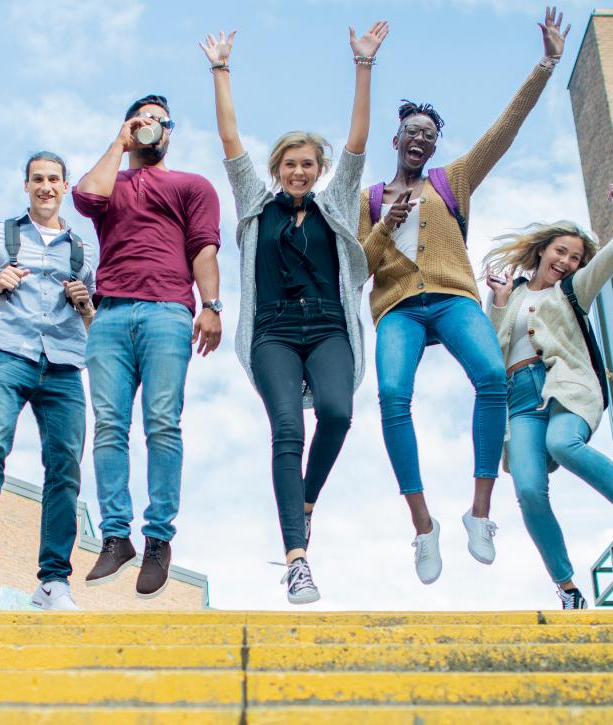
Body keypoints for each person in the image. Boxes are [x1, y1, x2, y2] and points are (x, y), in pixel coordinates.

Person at [358, 6, 570, 585]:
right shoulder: (372, 196)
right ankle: (424, 526)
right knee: (394, 397)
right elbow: (359, 266)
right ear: (396, 138)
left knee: (492, 378)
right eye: (413, 133)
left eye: (430, 135)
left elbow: (505, 130)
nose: (421, 140)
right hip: (398, 307)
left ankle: (479, 513)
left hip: (453, 298)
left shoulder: (454, 180)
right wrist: (385, 223)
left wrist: (546, 65)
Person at [202, 22, 387, 604]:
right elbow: (230, 140)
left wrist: (363, 65)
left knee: (336, 413)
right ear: (278, 166)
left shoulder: (335, 202)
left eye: (308, 163)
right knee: (286, 428)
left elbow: (358, 140)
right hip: (273, 332)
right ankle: (297, 559)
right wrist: (221, 71)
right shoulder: (256, 205)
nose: (299, 171)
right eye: (290, 163)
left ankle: (304, 500)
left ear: (319, 168)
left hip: (329, 326)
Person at [483, 172, 613, 610]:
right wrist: (499, 300)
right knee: (529, 489)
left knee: (564, 442)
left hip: (566, 386)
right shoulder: (510, 296)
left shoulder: (573, 289)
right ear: (542, 251)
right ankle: (568, 588)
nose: (567, 261)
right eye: (561, 251)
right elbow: (493, 346)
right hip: (519, 401)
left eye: (575, 257)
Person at [73, 94, 222, 598]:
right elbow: (85, 200)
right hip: (109, 314)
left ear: (172, 133)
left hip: (166, 312)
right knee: (110, 425)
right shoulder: (108, 181)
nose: (153, 127)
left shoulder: (191, 186)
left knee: (162, 421)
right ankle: (117, 537)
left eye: (162, 121)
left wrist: (212, 305)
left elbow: (203, 247)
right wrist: (121, 139)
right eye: (144, 121)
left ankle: (158, 538)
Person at [0, 151, 97, 611]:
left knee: (65, 470)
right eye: (38, 179)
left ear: (65, 184)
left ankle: (53, 581)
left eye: (54, 179)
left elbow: (97, 325)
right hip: (7, 352)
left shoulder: (85, 249)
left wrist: (85, 304)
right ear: (26, 185)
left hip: (63, 362)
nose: (46, 187)